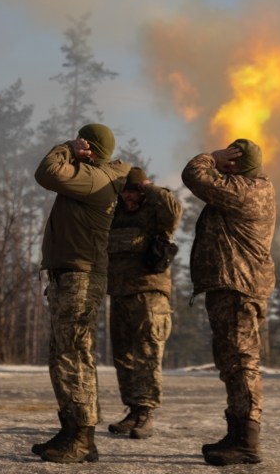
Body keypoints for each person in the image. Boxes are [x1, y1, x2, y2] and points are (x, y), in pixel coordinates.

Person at [31, 123, 131, 464]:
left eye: (82, 140)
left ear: (89, 146)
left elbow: (46, 172)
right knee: (64, 355)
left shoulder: (94, 179)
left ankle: (83, 437)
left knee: (72, 356)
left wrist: (66, 147)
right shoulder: (94, 177)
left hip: (79, 276)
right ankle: (71, 427)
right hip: (71, 275)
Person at [181, 138, 276, 466]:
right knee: (232, 362)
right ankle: (237, 434)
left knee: (241, 361)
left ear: (235, 164)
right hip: (234, 285)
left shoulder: (246, 191)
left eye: (228, 161)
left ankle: (247, 440)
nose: (223, 165)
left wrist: (210, 157)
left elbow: (194, 175)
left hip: (239, 286)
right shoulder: (251, 188)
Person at [105, 167, 183, 439]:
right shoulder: (116, 215)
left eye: (131, 191)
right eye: (123, 191)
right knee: (123, 355)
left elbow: (174, 210)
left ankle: (147, 412)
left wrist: (149, 188)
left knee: (148, 353)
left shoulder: (155, 212)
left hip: (150, 295)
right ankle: (133, 410)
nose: (127, 197)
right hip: (119, 294)